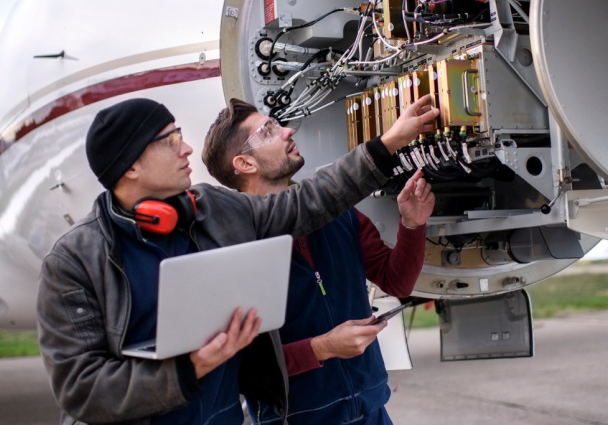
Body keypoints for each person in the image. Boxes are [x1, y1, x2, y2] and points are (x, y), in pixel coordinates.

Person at [36, 95, 438, 425]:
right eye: (170, 139)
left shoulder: (213, 211)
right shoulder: (73, 262)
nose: (186, 147)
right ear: (132, 166)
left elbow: (309, 202)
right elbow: (81, 389)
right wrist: (187, 369)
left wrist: (387, 145)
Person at [202, 100, 433, 425]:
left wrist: (412, 224)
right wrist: (322, 348)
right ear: (245, 163)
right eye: (269, 131)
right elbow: (241, 365)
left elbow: (396, 281)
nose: (287, 131)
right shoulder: (231, 248)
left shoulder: (340, 215)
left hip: (373, 411)